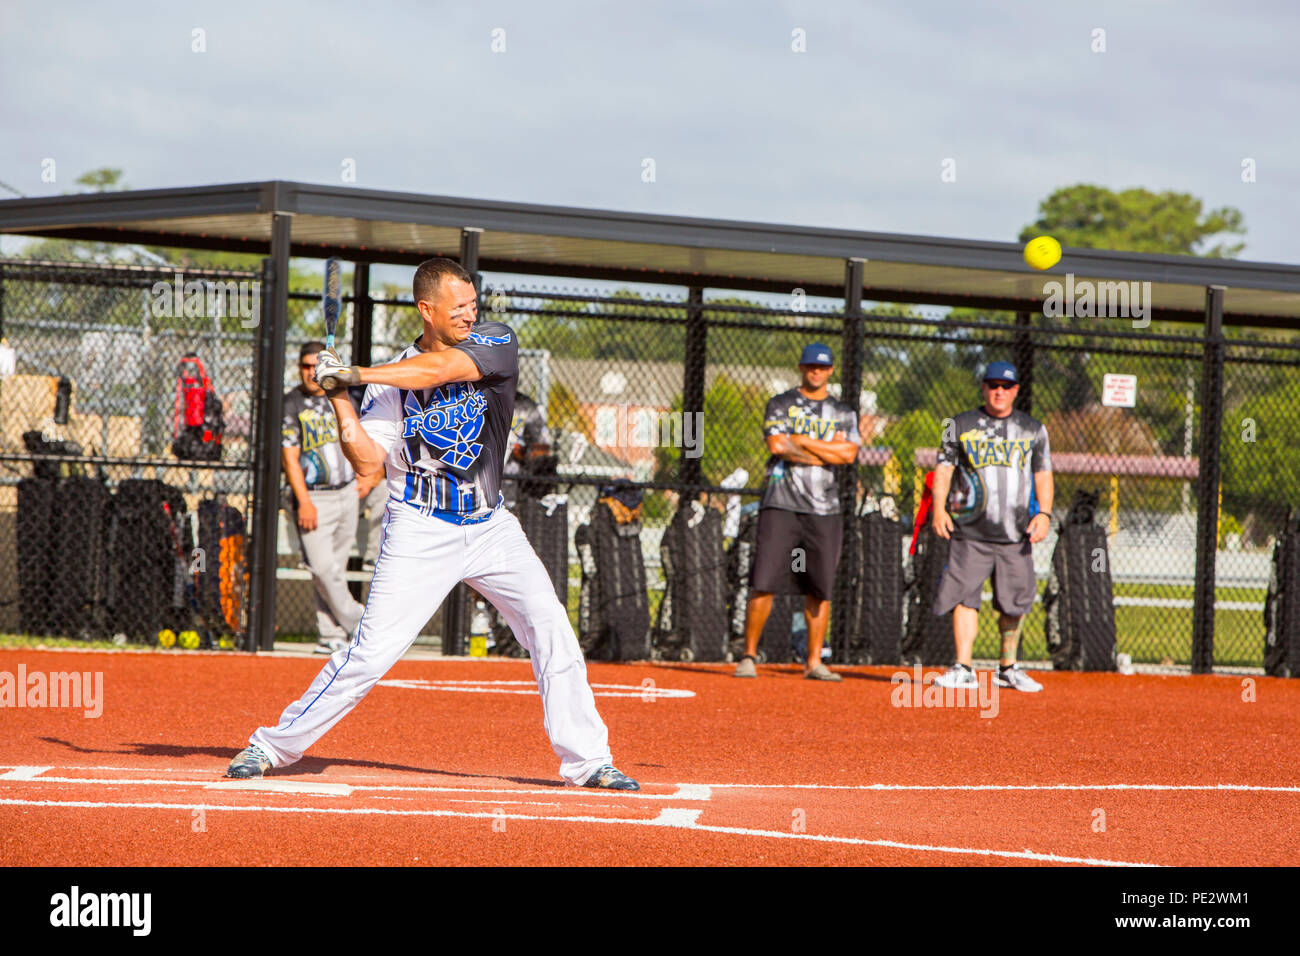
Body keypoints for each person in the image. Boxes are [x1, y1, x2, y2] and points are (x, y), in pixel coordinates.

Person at [227, 258, 638, 791]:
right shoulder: (390, 380)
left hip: (491, 526)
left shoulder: (495, 340)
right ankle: (271, 746)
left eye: (472, 303)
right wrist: (341, 400)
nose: (470, 313)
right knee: (371, 653)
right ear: (426, 309)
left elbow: (441, 371)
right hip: (421, 527)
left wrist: (355, 372)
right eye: (457, 306)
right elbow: (370, 461)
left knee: (550, 625)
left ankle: (589, 761)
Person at [733, 343, 861, 681]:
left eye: (821, 367)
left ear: (831, 370)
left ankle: (814, 661)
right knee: (764, 581)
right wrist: (824, 451)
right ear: (801, 368)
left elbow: (849, 454)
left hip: (824, 509)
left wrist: (803, 441)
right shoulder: (781, 403)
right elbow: (778, 446)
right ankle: (748, 655)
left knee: (819, 587)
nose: (815, 372)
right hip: (781, 505)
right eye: (809, 366)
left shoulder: (844, 412)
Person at [931, 361, 1054, 692]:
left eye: (1006, 386)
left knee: (1015, 601)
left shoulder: (1033, 429)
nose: (999, 391)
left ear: (1016, 390)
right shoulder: (957, 424)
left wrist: (1044, 513)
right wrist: (938, 509)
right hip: (970, 530)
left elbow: (1043, 473)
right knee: (964, 595)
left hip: (1015, 532)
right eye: (993, 385)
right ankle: (963, 666)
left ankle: (1008, 667)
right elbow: (943, 468)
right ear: (983, 388)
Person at [281, 342, 381, 654]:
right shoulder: (291, 403)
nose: (311, 372)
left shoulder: (344, 397)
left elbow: (370, 439)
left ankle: (330, 635)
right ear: (299, 368)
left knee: (333, 569)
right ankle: (360, 623)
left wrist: (369, 478)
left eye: (315, 366)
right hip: (314, 497)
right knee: (323, 568)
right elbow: (290, 459)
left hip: (347, 492)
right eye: (305, 366)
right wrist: (304, 501)